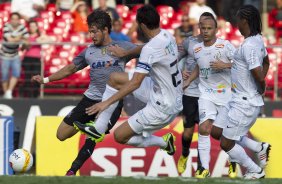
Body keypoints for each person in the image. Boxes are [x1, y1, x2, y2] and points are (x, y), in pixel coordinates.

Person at [31, 10, 137, 176]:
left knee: (93, 135)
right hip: (90, 100)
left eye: (94, 31)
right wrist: (45, 80)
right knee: (61, 134)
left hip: (111, 102)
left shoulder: (122, 47)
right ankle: (88, 126)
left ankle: (72, 170)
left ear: (105, 30)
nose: (91, 35)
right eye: (89, 31)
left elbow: (148, 52)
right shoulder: (88, 51)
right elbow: (70, 68)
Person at [73, 5, 183, 157]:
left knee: (120, 136)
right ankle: (98, 128)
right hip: (165, 90)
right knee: (115, 78)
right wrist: (126, 52)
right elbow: (145, 47)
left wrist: (105, 103)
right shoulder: (166, 35)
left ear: (142, 25)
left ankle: (164, 143)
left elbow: (135, 83)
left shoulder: (150, 49)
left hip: (164, 106)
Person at [219, 5, 271, 179]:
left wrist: (261, 88)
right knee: (218, 131)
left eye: (238, 21)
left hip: (244, 102)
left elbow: (258, 73)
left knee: (226, 143)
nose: (237, 25)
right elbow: (266, 61)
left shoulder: (249, 46)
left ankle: (255, 170)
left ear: (245, 21)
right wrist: (260, 86)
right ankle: (258, 147)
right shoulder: (257, 40)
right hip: (236, 99)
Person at [183, 14, 235, 178]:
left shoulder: (226, 46)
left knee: (225, 133)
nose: (205, 31)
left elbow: (243, 64)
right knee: (204, 129)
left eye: (209, 28)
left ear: (216, 30)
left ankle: (234, 159)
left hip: (226, 95)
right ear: (199, 28)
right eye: (203, 28)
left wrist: (225, 64)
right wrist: (188, 80)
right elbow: (199, 66)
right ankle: (203, 168)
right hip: (205, 95)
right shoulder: (196, 49)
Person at [0, 12, 29, 99]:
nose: (14, 21)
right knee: (4, 75)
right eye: (13, 19)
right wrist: (20, 37)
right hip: (4, 55)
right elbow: (9, 40)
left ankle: (9, 91)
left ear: (19, 20)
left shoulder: (22, 27)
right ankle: (6, 94)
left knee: (16, 74)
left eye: (16, 19)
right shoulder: (6, 26)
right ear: (10, 19)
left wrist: (16, 38)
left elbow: (27, 40)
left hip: (15, 54)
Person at [21, 20, 49, 98]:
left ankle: (35, 95)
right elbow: (22, 49)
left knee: (37, 77)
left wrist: (36, 40)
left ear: (37, 27)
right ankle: (26, 95)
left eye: (34, 26)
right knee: (27, 77)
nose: (32, 28)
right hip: (27, 58)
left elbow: (50, 39)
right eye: (31, 26)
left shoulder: (40, 36)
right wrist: (26, 43)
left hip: (36, 59)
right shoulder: (26, 36)